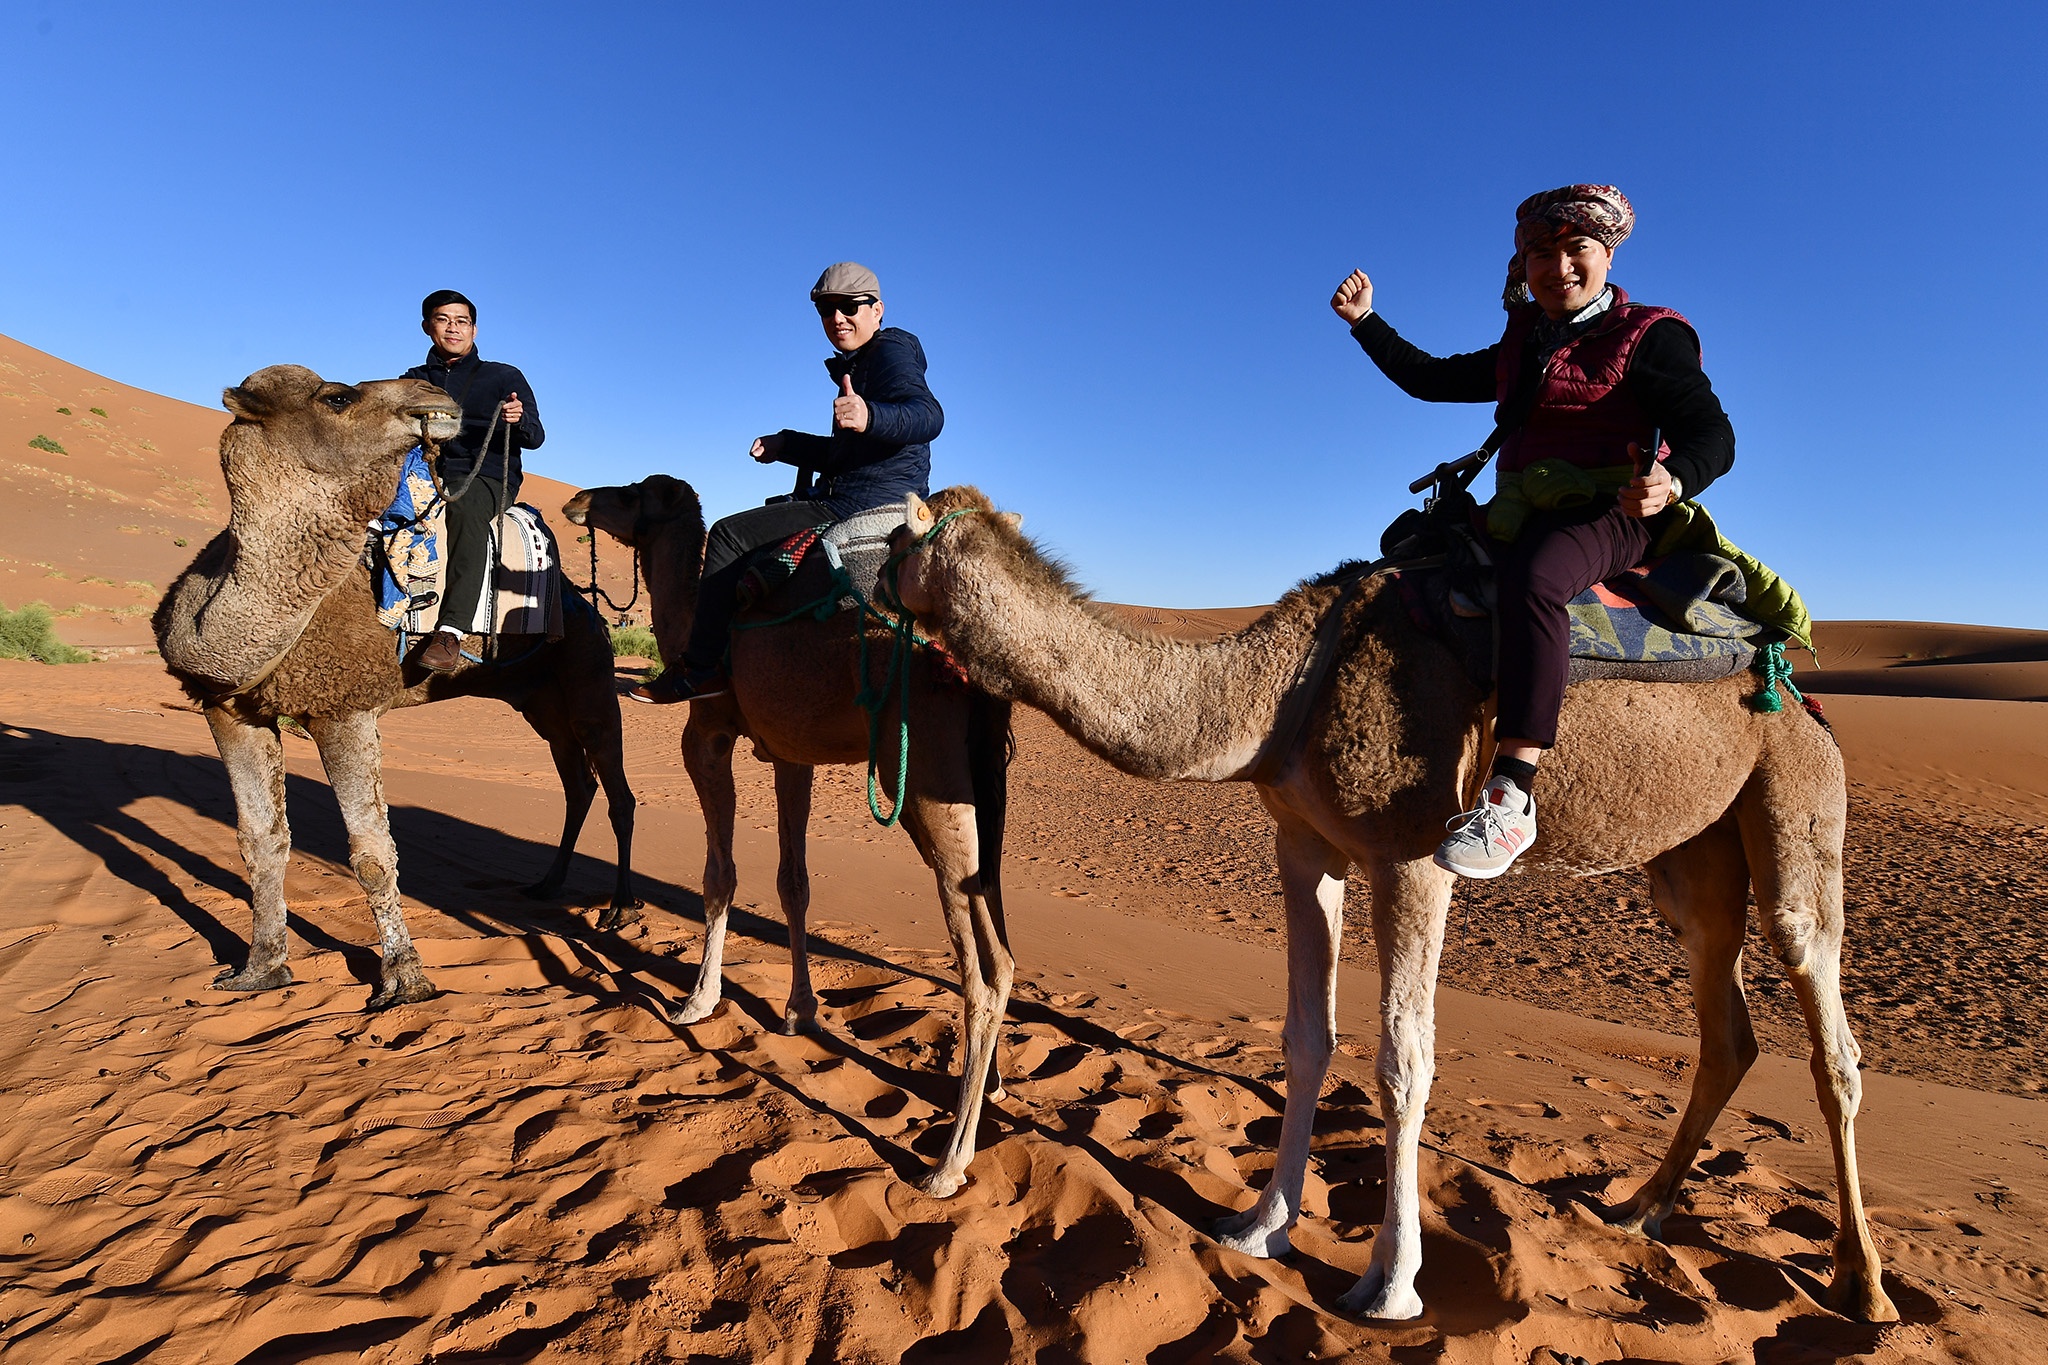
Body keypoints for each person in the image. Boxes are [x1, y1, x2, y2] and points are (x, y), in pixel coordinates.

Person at [1333, 184, 1735, 879]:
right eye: (1540, 254)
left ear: (1606, 254)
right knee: (1411, 565)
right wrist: (1366, 321)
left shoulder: (1650, 334)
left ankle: (1511, 791)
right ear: (1523, 266)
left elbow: (1713, 432)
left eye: (1576, 248)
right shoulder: (1526, 341)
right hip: (1523, 506)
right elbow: (1431, 379)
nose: (1559, 267)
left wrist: (1674, 480)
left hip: (1616, 512)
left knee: (1536, 578)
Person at [633, 262, 944, 703]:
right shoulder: (861, 364)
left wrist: (869, 415)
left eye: (849, 306)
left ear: (877, 309)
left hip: (859, 503)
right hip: (866, 490)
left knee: (726, 534)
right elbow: (846, 456)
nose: (837, 318)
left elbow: (929, 415)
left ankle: (700, 670)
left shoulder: (889, 351)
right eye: (826, 310)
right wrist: (788, 444)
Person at [403, 289, 546, 673]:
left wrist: (519, 419)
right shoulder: (413, 382)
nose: (453, 328)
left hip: (486, 476)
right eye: (443, 319)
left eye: (461, 321)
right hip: (424, 473)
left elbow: (535, 438)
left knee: (464, 512)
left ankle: (450, 630)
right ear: (427, 327)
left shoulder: (503, 376)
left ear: (474, 329)